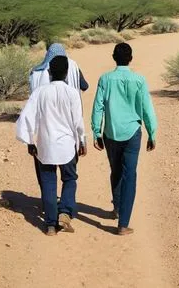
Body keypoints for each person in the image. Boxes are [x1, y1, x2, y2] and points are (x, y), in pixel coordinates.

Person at [91, 43, 157, 236]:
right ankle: (123, 223)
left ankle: (118, 207)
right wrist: (152, 133)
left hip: (110, 133)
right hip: (132, 132)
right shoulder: (139, 80)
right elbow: (146, 108)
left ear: (114, 57)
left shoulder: (105, 79)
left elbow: (98, 107)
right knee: (130, 175)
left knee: (116, 171)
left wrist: (96, 132)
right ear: (130, 58)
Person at [16, 56, 87, 236]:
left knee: (48, 183)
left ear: (49, 73)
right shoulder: (72, 93)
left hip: (45, 146)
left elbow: (26, 118)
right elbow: (78, 121)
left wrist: (30, 142)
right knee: (69, 179)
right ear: (66, 74)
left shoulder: (39, 93)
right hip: (67, 145)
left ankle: (49, 225)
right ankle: (65, 211)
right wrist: (82, 140)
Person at [28, 43, 89, 191]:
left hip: (43, 128)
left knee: (46, 171)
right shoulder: (72, 66)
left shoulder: (35, 72)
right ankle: (65, 206)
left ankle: (49, 200)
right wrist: (82, 138)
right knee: (69, 172)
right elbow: (84, 86)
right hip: (67, 128)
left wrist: (29, 140)